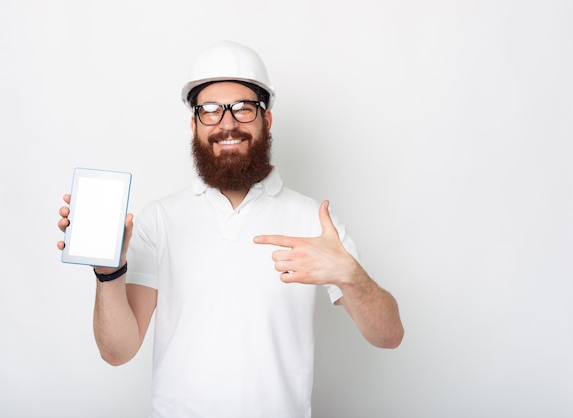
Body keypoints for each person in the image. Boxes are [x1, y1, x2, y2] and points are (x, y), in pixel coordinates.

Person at [57, 40, 403, 418]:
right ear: (194, 125)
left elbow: (389, 336)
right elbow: (117, 352)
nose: (227, 123)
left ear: (266, 120)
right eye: (210, 111)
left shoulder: (314, 220)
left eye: (243, 109)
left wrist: (350, 276)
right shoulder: (160, 218)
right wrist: (109, 271)